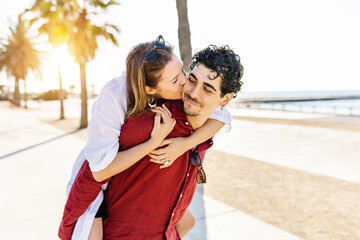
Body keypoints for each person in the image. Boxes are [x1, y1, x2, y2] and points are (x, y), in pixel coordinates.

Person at [59, 44, 243, 239]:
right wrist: (152, 143)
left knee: (188, 222)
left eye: (207, 89)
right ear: (151, 89)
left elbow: (224, 117)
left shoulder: (208, 120)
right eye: (192, 80)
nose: (192, 92)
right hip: (98, 174)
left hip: (164, 229)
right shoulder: (148, 119)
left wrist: (184, 144)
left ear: (225, 100)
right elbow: (93, 171)